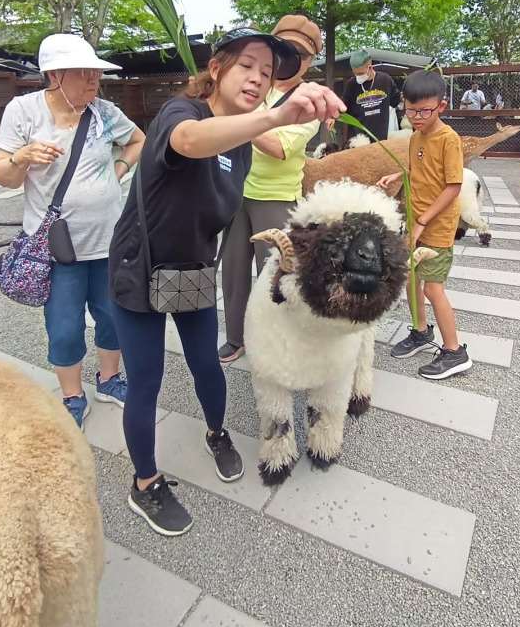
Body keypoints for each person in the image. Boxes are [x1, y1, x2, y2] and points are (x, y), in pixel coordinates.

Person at [108, 27, 344, 538]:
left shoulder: (240, 147)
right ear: (216, 69)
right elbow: (188, 142)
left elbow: (220, 203)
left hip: (191, 270)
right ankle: (144, 483)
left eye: (267, 73)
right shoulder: (182, 113)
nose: (258, 79)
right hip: (139, 266)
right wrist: (276, 116)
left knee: (207, 365)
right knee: (146, 380)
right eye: (247, 66)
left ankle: (216, 432)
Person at [0, 33, 145, 427]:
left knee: (113, 316)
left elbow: (137, 140)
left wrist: (120, 168)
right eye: (84, 72)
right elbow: (3, 175)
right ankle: (72, 396)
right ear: (55, 75)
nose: (94, 79)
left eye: (96, 72)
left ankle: (109, 380)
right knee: (64, 327)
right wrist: (22, 157)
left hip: (109, 240)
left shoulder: (104, 112)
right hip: (57, 248)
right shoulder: (23, 111)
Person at [219, 14, 323, 364]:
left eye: (300, 54)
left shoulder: (309, 100)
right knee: (233, 272)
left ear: (310, 61)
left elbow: (279, 148)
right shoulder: (256, 83)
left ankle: (278, 343)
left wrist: (242, 123)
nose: (291, 58)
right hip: (235, 190)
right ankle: (236, 337)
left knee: (277, 276)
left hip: (276, 198)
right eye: (285, 49)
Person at [378, 68, 471, 380]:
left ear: (441, 106)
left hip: (436, 227)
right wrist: (397, 175)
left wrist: (422, 221)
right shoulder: (416, 136)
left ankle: (455, 351)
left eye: (424, 111)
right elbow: (417, 169)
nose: (416, 117)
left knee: (433, 288)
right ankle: (420, 331)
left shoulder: (449, 139)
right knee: (410, 279)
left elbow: (453, 186)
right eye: (410, 110)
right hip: (416, 221)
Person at [340, 48, 401, 143]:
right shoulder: (351, 84)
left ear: (370, 67)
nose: (358, 76)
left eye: (361, 73)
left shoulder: (385, 80)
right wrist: (332, 116)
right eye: (356, 74)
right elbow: (342, 107)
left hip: (380, 140)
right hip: (358, 140)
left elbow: (396, 101)